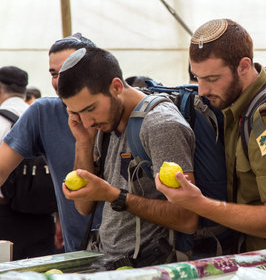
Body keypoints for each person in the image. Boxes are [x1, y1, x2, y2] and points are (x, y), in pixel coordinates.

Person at [155, 19, 266, 253]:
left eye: (211, 79)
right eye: (197, 77)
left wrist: (197, 204)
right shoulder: (239, 101)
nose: (202, 90)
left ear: (243, 66)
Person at [58, 47, 197, 267]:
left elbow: (187, 218)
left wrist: (114, 195)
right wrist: (83, 142)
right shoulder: (102, 126)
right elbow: (84, 207)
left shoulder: (160, 125)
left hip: (150, 269)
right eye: (77, 113)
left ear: (116, 87)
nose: (86, 122)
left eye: (90, 109)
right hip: (111, 264)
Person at [0, 33, 102, 253]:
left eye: (67, 70)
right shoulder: (43, 113)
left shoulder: (120, 115)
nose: (59, 80)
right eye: (54, 73)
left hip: (134, 254)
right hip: (78, 252)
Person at [0, 66, 56, 260]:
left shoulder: (1, 120)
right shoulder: (41, 117)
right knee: (43, 272)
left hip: (6, 216)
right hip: (45, 213)